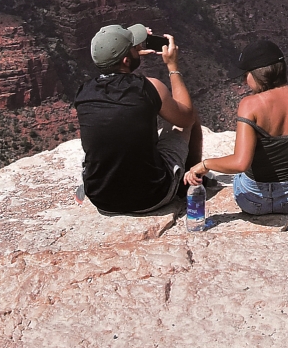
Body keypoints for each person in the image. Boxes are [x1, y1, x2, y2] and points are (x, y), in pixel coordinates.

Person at [183, 37, 288, 215]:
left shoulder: (249, 104)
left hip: (252, 201)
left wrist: (204, 165)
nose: (244, 81)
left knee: (244, 172)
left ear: (258, 74)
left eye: (246, 74)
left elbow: (240, 163)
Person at [74, 22, 202, 214]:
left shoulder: (83, 93)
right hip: (152, 196)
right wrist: (173, 66)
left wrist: (128, 56)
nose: (138, 48)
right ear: (126, 60)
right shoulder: (150, 87)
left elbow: (118, 90)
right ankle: (189, 182)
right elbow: (186, 117)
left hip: (102, 199)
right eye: (135, 47)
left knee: (107, 138)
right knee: (188, 119)